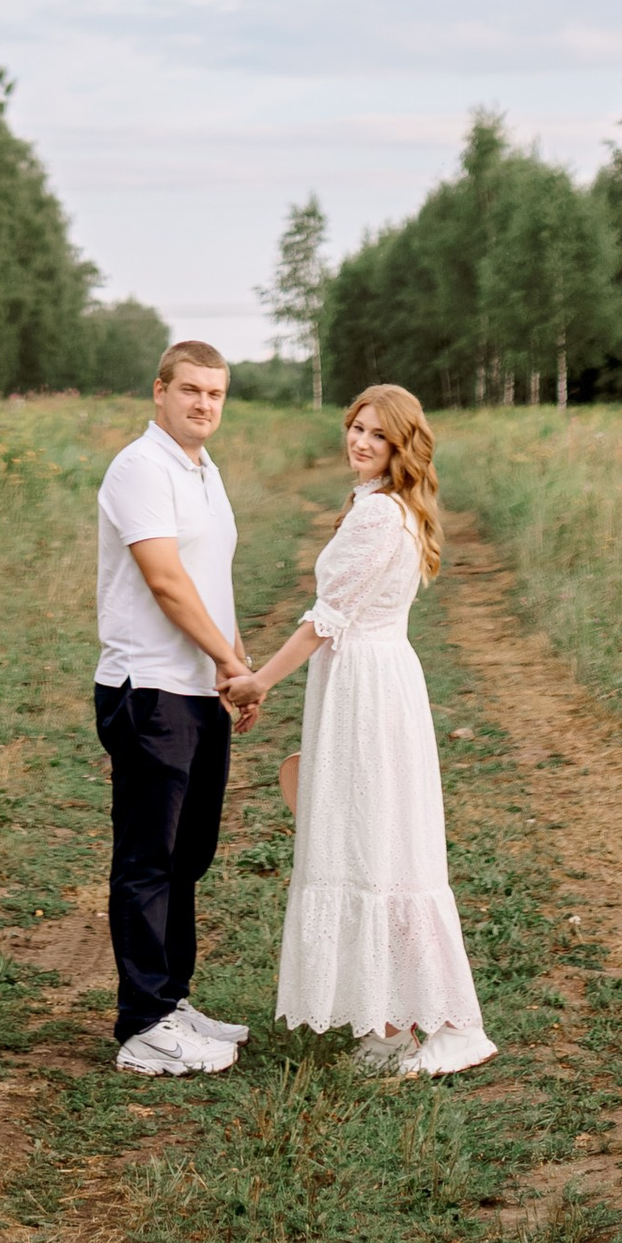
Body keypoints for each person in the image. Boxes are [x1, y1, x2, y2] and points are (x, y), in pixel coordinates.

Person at [233, 382, 493, 1077]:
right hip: (372, 679)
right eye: (355, 427)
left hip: (367, 687)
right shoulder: (380, 505)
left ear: (401, 446)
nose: (359, 441)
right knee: (377, 838)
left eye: (377, 435)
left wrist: (260, 680)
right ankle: (393, 1017)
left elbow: (326, 619)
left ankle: (417, 1024)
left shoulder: (379, 516)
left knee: (375, 841)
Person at [92, 338, 260, 1076]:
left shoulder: (203, 469)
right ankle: (141, 1024)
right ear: (159, 391)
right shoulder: (140, 468)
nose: (203, 404)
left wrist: (235, 657)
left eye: (215, 394)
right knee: (148, 858)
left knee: (187, 856)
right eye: (189, 390)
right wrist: (223, 659)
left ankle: (173, 1002)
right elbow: (163, 580)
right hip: (150, 687)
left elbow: (205, 577)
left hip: (200, 689)